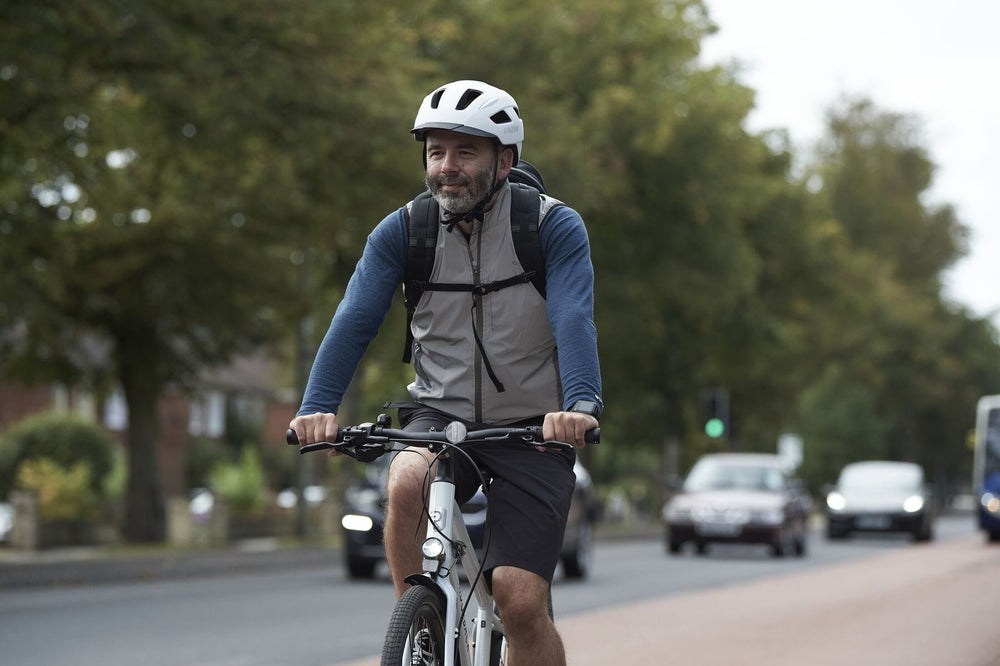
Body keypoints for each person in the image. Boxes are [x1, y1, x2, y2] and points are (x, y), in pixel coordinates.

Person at [289, 80, 602, 666]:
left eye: (465, 152)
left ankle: (501, 617)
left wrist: (581, 404)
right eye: (436, 152)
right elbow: (355, 317)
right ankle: (423, 630)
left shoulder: (551, 227)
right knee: (404, 482)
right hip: (439, 412)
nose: (446, 167)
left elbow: (573, 315)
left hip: (534, 426)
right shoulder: (404, 231)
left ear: (503, 160)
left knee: (520, 601)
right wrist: (317, 406)